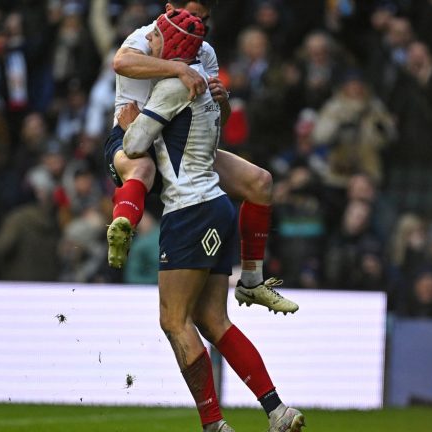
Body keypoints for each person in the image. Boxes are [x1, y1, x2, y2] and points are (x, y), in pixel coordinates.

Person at [120, 10, 305, 432]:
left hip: (190, 210)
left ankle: (213, 424)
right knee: (213, 321)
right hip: (218, 204)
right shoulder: (206, 85)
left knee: (174, 320)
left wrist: (131, 123)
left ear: (173, 47)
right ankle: (277, 411)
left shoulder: (169, 87)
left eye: (160, 39)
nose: (154, 43)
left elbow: (134, 147)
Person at [104, 0, 298, 314]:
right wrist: (178, 68)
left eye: (205, 19)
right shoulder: (144, 36)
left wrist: (223, 103)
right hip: (134, 132)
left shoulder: (205, 52)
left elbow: (214, 123)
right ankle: (123, 225)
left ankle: (251, 280)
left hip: (183, 146)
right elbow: (121, 63)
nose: (200, 24)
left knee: (260, 181)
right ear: (169, 9)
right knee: (140, 166)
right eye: (195, 15)